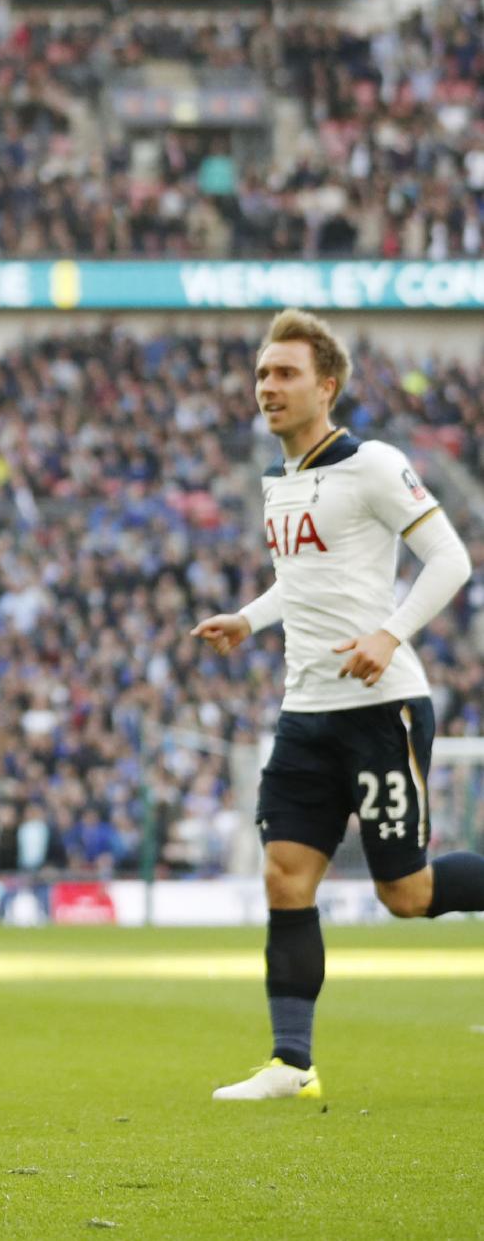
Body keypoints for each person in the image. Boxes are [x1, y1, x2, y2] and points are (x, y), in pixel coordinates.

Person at [191, 308, 481, 1103]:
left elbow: (450, 558)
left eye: (284, 373)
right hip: (306, 710)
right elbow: (306, 583)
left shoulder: (375, 465)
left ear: (327, 385)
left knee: (407, 894)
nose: (267, 387)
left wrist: (390, 633)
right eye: (260, 373)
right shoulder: (283, 482)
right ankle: (291, 1061)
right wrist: (249, 618)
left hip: (380, 705)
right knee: (286, 876)